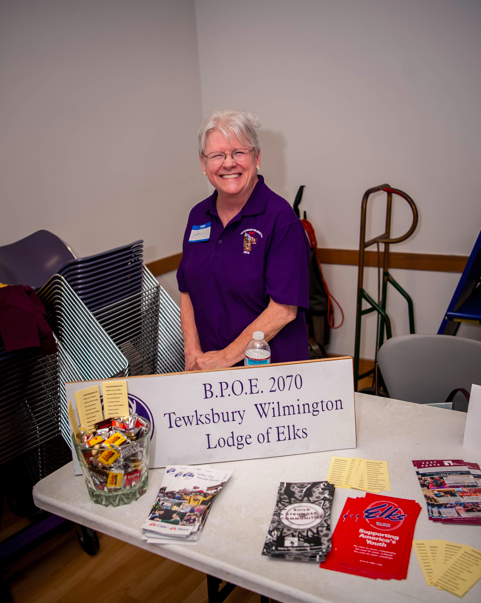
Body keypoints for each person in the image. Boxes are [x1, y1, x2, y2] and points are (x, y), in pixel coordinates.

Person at [177, 109, 310, 370]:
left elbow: (283, 310)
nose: (228, 163)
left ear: (256, 157)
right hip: (210, 370)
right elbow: (186, 289)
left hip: (270, 372)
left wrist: (223, 359)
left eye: (239, 152)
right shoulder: (197, 215)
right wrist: (192, 353)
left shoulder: (281, 219)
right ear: (203, 164)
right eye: (217, 155)